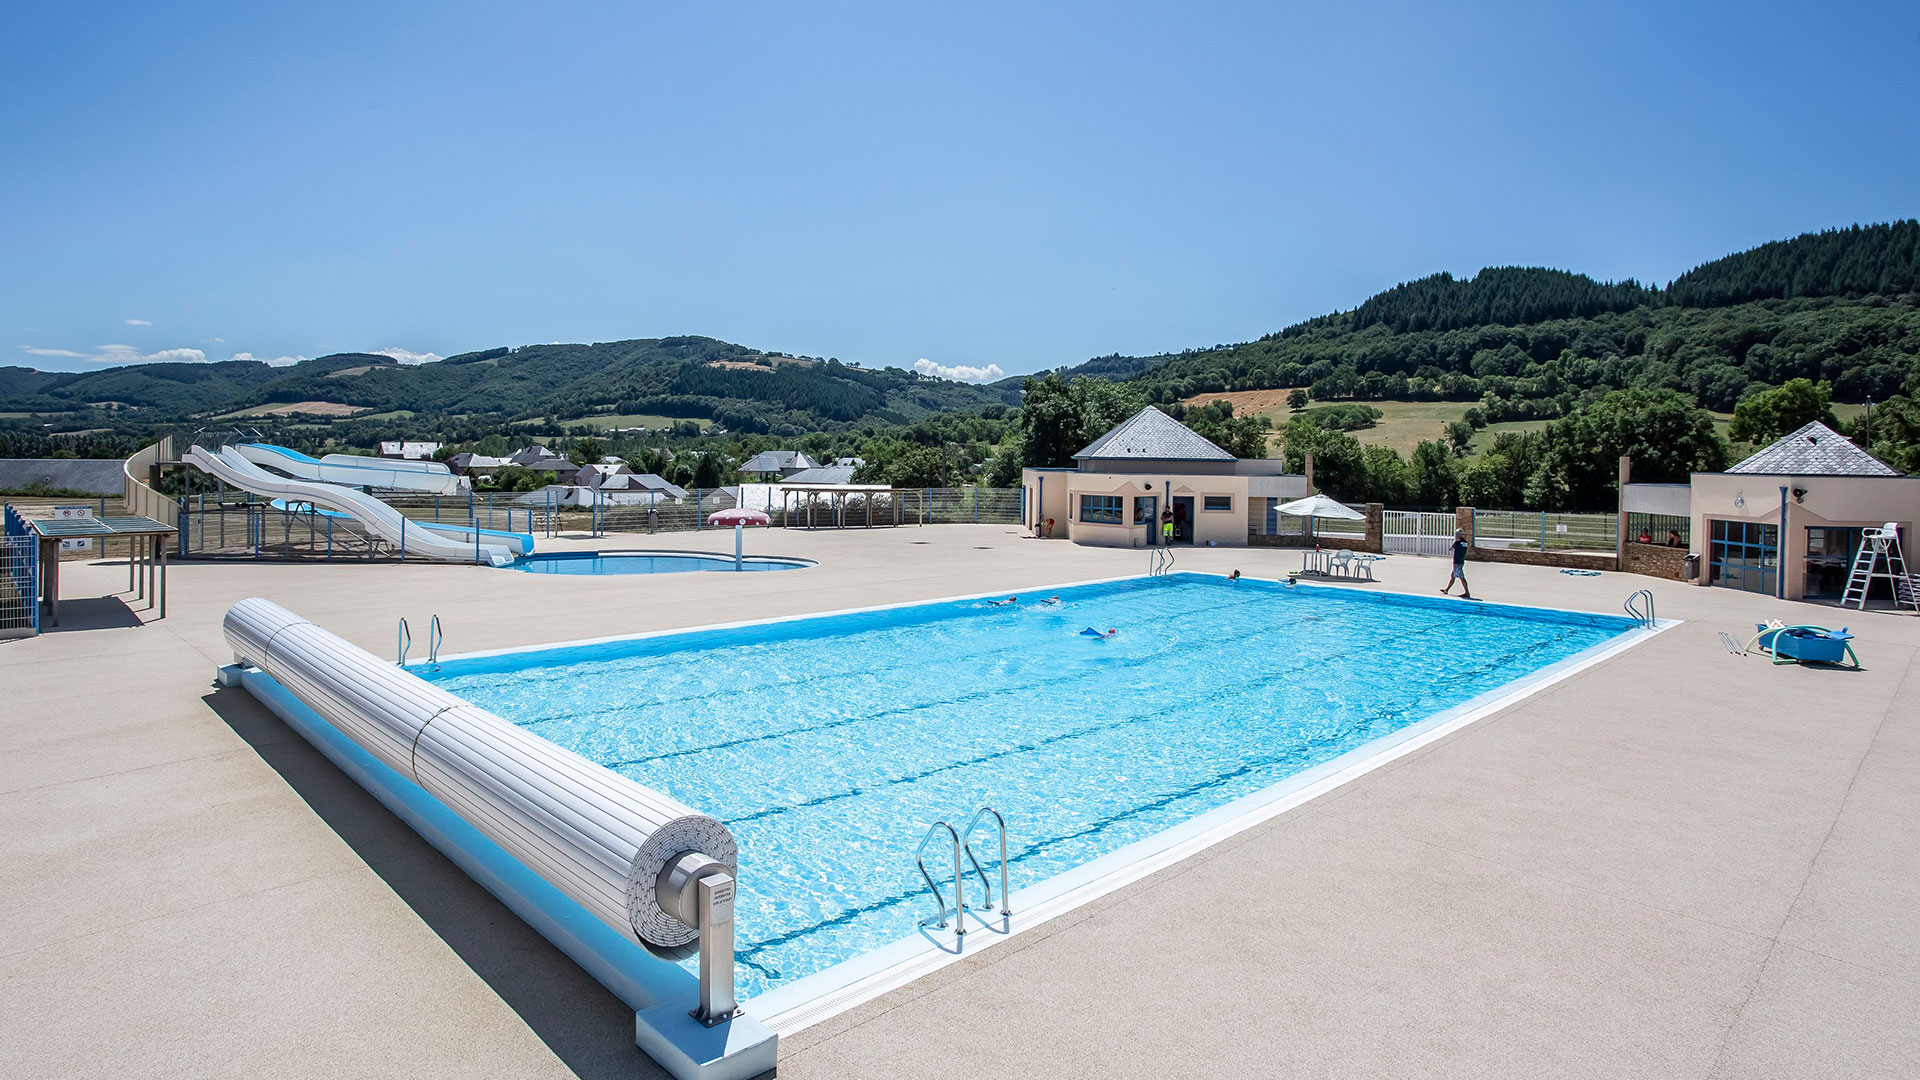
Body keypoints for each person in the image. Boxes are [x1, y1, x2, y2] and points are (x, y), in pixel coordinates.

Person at [1440, 528, 1473, 599]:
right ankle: (1446, 589)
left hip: (1457, 562)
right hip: (1461, 561)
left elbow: (1450, 549)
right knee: (1452, 576)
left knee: (1461, 577)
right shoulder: (1465, 542)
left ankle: (1467, 592)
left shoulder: (1457, 542)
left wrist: (1454, 542)